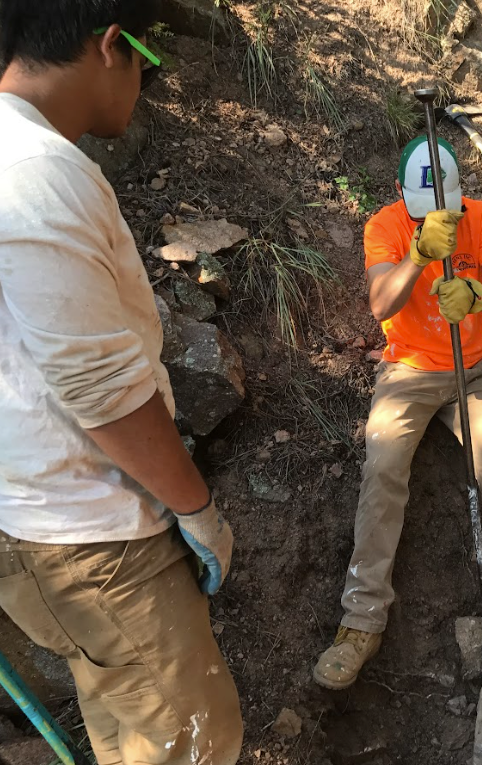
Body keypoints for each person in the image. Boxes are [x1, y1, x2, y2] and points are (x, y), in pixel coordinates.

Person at [0, 2, 243, 763]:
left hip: (39, 517)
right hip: (92, 531)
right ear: (111, 46)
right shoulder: (37, 173)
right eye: (147, 62)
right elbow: (100, 386)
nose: (147, 82)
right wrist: (195, 506)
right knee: (187, 744)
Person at [313, 136, 482, 689]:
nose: (440, 218)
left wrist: (476, 295)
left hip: (473, 369)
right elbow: (381, 303)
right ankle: (360, 622)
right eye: (426, 212)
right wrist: (418, 255)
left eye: (446, 210)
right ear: (403, 196)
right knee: (382, 467)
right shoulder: (384, 226)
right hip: (408, 371)